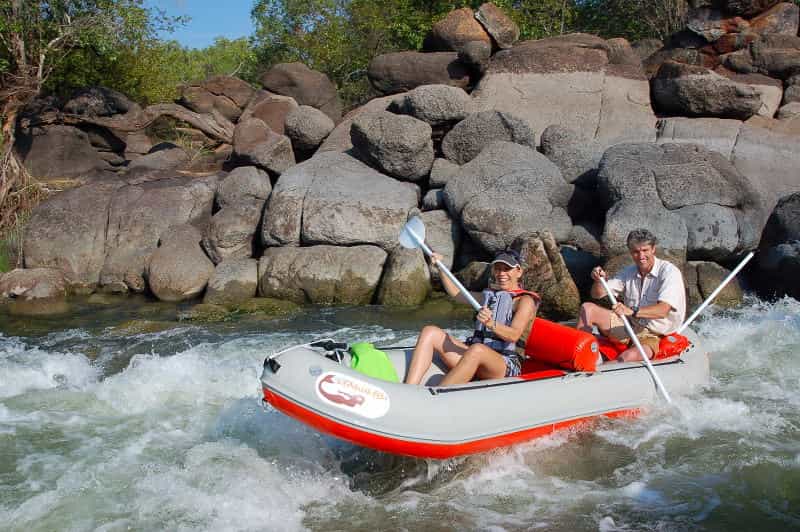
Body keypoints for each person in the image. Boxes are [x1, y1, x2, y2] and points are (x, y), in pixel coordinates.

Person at [404, 249, 539, 386]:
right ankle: (410, 388)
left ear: (518, 272)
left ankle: (437, 394)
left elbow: (514, 335)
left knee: (477, 349)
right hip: (475, 355)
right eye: (498, 269)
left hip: (505, 364)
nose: (501, 273)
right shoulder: (489, 296)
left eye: (507, 269)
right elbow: (456, 293)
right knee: (430, 332)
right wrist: (440, 267)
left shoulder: (525, 301)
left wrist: (490, 323)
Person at [576, 229, 686, 363]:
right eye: (636, 252)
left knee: (628, 357)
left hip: (653, 335)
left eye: (645, 250)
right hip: (629, 327)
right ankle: (578, 355)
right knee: (587, 308)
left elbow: (663, 310)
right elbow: (597, 294)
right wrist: (599, 281)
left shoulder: (669, 272)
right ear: (630, 252)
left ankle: (599, 372)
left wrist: (632, 311)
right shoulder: (628, 272)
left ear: (653, 249)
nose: (641, 256)